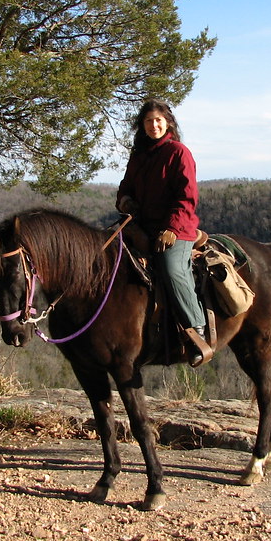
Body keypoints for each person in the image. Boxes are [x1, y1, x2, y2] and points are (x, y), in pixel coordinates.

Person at [116, 99, 213, 366]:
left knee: (172, 269)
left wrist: (171, 228)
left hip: (177, 229)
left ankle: (196, 332)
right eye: (148, 121)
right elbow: (124, 188)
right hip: (141, 227)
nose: (154, 125)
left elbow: (187, 197)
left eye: (158, 120)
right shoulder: (138, 156)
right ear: (142, 125)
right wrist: (125, 201)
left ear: (167, 122)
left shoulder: (178, 152)